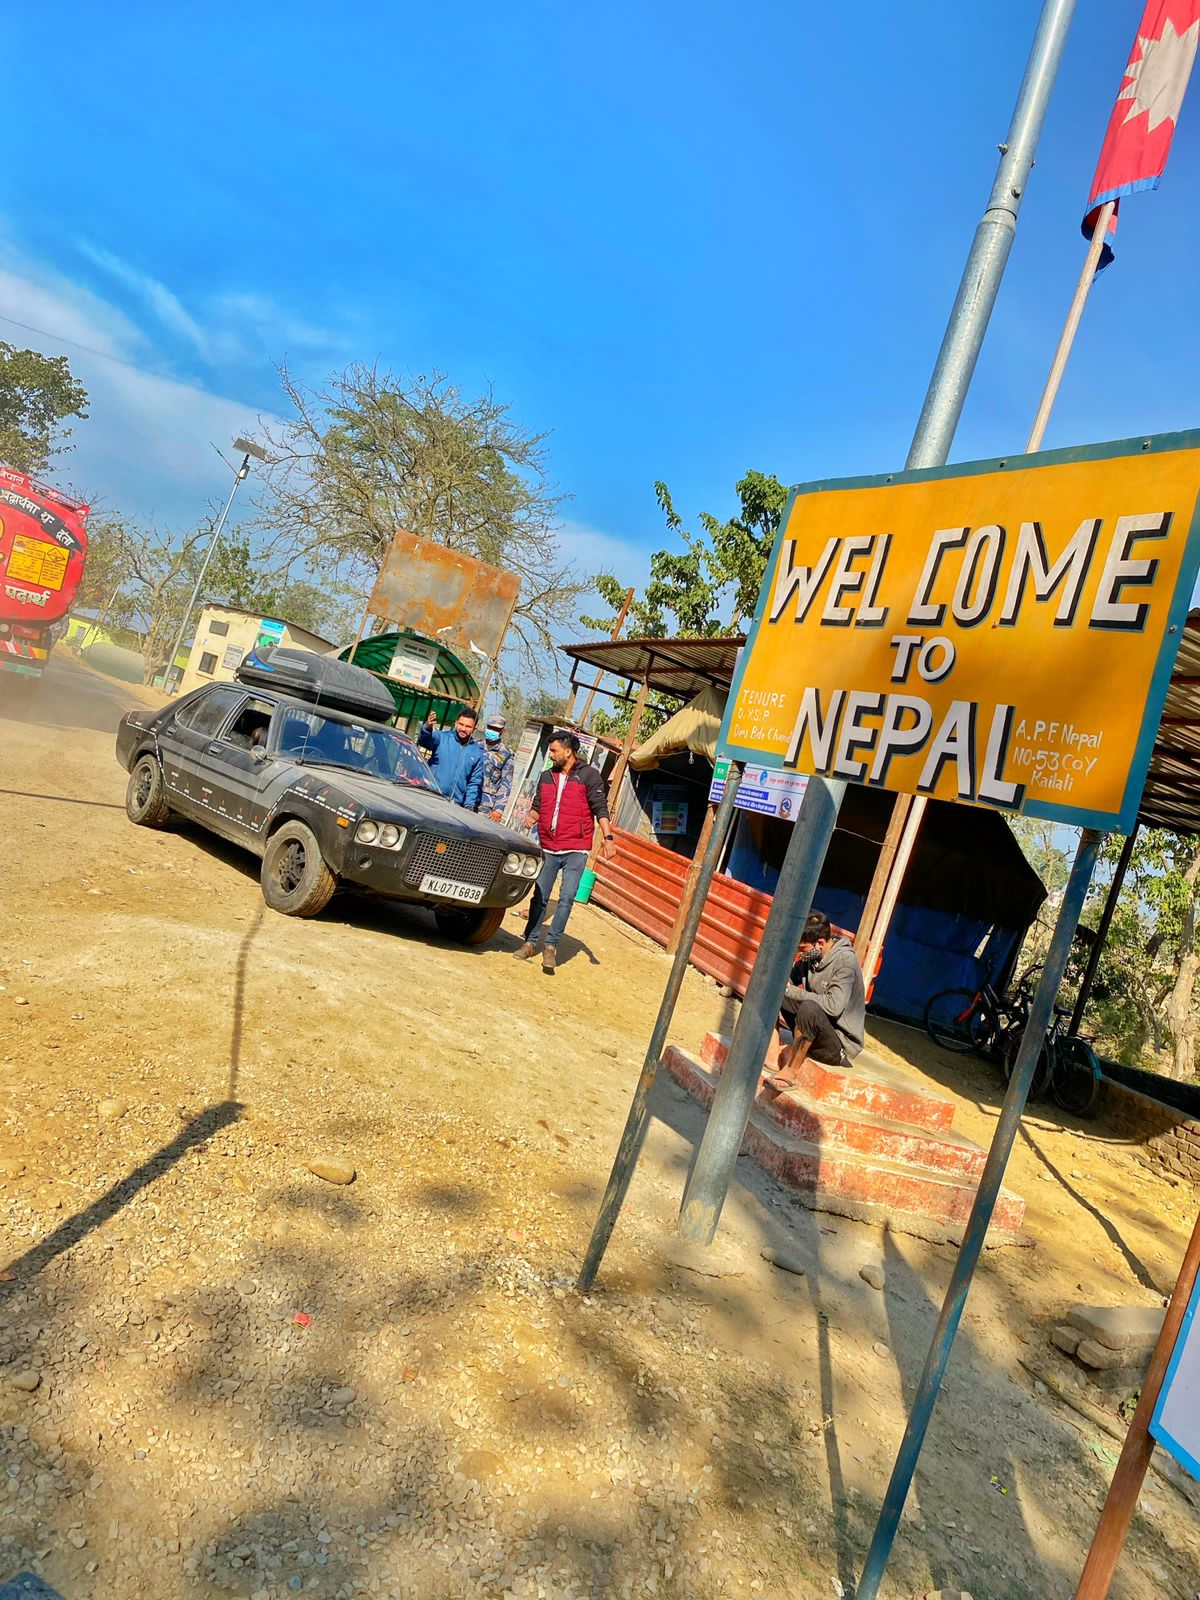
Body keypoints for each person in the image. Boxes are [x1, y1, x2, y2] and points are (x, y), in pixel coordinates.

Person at [515, 730, 615, 974]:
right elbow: (539, 807)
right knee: (539, 896)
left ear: (568, 752)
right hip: (548, 846)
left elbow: (600, 809)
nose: (551, 755)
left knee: (567, 898)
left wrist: (608, 838)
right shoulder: (546, 777)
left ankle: (551, 946)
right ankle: (530, 942)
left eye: (554, 750)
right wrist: (531, 818)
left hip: (576, 849)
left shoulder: (589, 776)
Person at [771, 910, 866, 1079]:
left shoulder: (845, 962)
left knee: (809, 1008)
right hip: (815, 1027)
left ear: (819, 943)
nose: (800, 954)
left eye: (802, 949)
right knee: (775, 989)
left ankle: (790, 1072)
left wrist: (792, 990)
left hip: (837, 1046)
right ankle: (769, 1054)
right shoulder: (812, 956)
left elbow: (833, 1006)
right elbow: (788, 981)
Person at [418, 707, 485, 809]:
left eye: (468, 726)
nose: (463, 729)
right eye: (461, 724)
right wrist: (427, 728)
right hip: (430, 796)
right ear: (456, 723)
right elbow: (424, 741)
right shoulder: (442, 738)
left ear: (474, 729)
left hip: (453, 806)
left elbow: (474, 783)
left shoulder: (476, 752)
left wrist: (469, 806)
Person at [479, 714, 514, 821]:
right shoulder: (475, 745)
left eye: (496, 729)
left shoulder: (506, 754)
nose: (492, 731)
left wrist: (499, 809)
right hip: (466, 799)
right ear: (486, 727)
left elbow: (506, 784)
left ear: (502, 731)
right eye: (490, 728)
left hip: (485, 807)